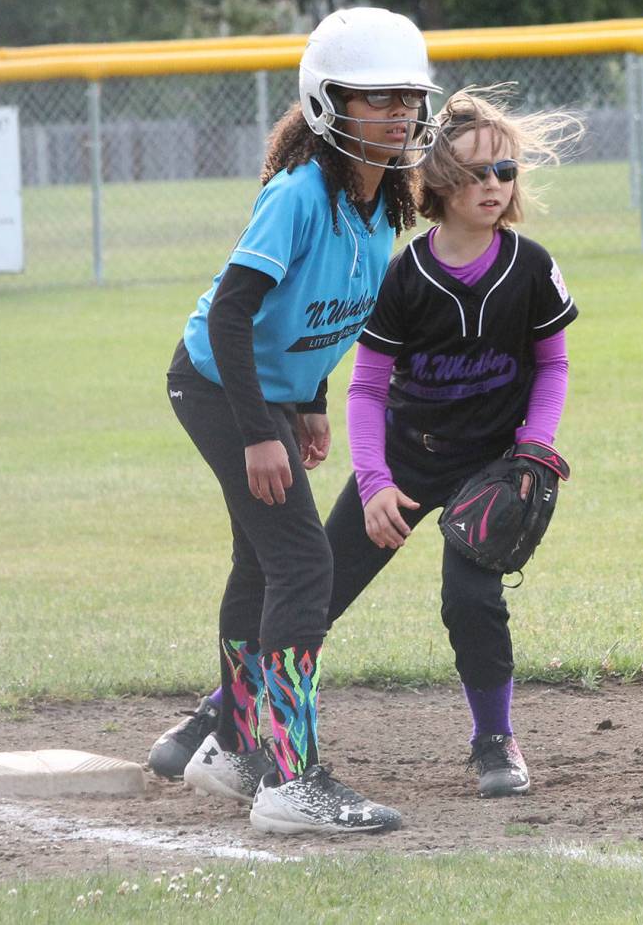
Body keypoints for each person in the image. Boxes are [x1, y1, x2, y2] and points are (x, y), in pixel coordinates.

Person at [152, 84, 582, 802]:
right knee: (313, 585)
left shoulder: (524, 264)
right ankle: (225, 720)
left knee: (470, 598)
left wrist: (536, 446)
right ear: (441, 181)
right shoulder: (404, 270)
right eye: (478, 170)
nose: (496, 184)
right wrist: (375, 479)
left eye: (505, 171)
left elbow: (553, 362)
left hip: (490, 463)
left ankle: (493, 737)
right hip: (405, 457)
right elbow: (366, 380)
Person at [162, 7, 441, 835]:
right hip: (219, 387)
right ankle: (292, 778)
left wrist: (311, 400)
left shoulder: (379, 204)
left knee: (262, 565)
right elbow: (231, 317)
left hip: (264, 396)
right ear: (328, 104)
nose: (396, 113)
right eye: (373, 97)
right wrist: (257, 429)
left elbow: (322, 311)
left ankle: (235, 752)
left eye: (407, 98)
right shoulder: (298, 195)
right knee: (303, 562)